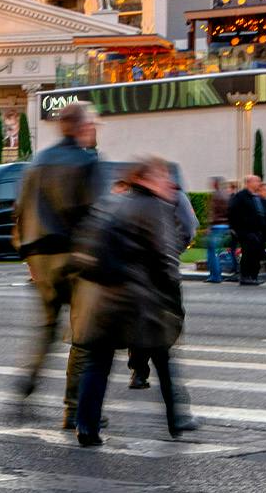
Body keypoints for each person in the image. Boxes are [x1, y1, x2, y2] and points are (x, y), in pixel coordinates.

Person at [71, 157, 198, 447]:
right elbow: (166, 258)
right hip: (140, 301)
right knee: (164, 359)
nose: (168, 183)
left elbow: (83, 246)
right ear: (146, 178)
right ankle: (176, 419)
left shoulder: (112, 201)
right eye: (162, 176)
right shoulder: (155, 208)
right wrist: (170, 295)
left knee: (97, 363)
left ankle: (86, 427)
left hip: (102, 298)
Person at [12, 101, 102, 428]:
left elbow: (19, 211)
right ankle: (74, 407)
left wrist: (27, 255)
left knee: (47, 328)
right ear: (81, 127)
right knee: (83, 332)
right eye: (92, 124)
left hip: (39, 256)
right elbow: (93, 214)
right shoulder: (86, 161)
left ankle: (27, 384)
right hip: (72, 253)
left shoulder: (37, 161)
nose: (95, 129)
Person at [128, 177, 196, 390]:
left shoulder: (133, 199)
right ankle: (154, 360)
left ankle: (139, 369)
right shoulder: (175, 196)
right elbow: (189, 227)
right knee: (172, 315)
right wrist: (175, 249)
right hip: (164, 269)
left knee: (142, 318)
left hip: (141, 269)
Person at [227, 174, 266, 286]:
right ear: (249, 183)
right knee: (248, 254)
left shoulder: (256, 197)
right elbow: (232, 212)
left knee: (256, 254)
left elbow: (262, 213)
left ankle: (253, 276)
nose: (259, 184)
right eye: (256, 181)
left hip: (258, 231)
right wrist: (236, 229)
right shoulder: (241, 196)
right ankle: (245, 276)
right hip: (246, 231)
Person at [203, 176, 232, 284]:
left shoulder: (215, 195)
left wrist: (209, 226)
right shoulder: (226, 195)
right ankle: (217, 274)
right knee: (217, 252)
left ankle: (215, 276)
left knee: (211, 252)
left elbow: (213, 213)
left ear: (216, 184)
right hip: (225, 226)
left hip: (216, 226)